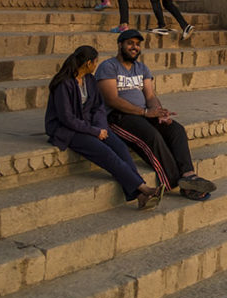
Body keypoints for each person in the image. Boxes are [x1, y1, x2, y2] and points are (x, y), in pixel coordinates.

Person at [96, 30, 217, 199]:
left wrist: (159, 113)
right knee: (152, 136)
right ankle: (178, 183)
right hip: (118, 117)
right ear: (120, 45)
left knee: (176, 130)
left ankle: (189, 175)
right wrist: (145, 112)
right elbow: (112, 100)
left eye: (137, 44)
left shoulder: (142, 68)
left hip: (143, 114)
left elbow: (150, 96)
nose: (134, 47)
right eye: (130, 43)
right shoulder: (108, 66)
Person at [45, 45, 163, 210]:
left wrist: (102, 128)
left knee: (120, 147)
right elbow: (67, 118)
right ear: (88, 63)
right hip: (69, 130)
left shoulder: (90, 80)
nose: (96, 65)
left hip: (92, 125)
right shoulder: (63, 84)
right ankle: (143, 188)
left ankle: (140, 195)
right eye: (95, 62)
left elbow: (99, 108)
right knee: (106, 153)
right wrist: (94, 131)